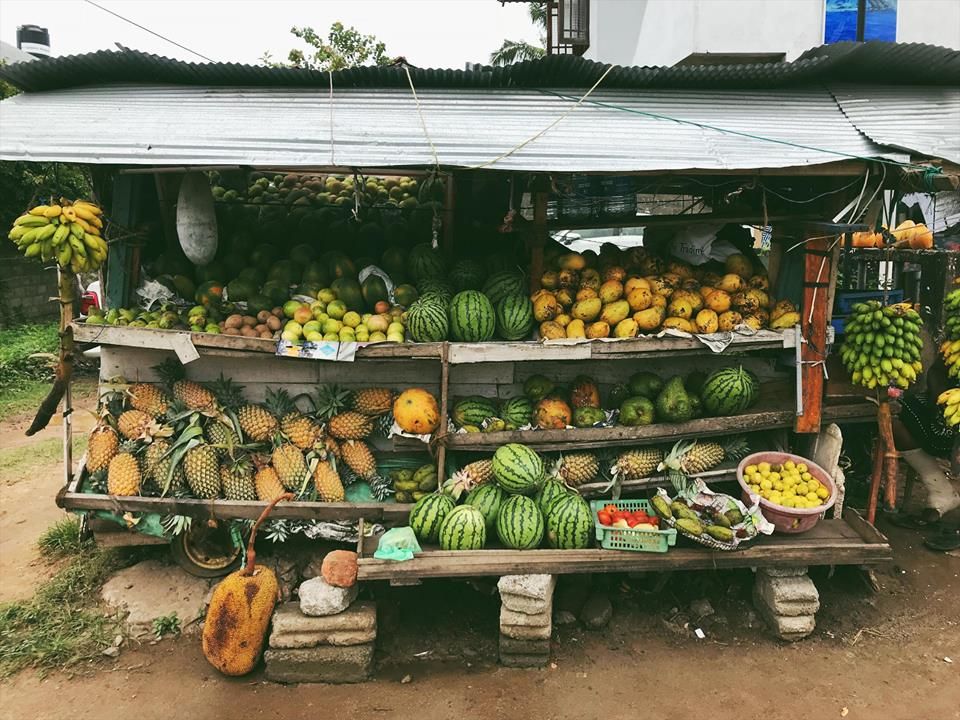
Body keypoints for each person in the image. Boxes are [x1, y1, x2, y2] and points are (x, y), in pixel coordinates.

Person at [892, 354, 960, 551]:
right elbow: (936, 371)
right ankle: (941, 492)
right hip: (946, 405)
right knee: (894, 417)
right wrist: (942, 399)